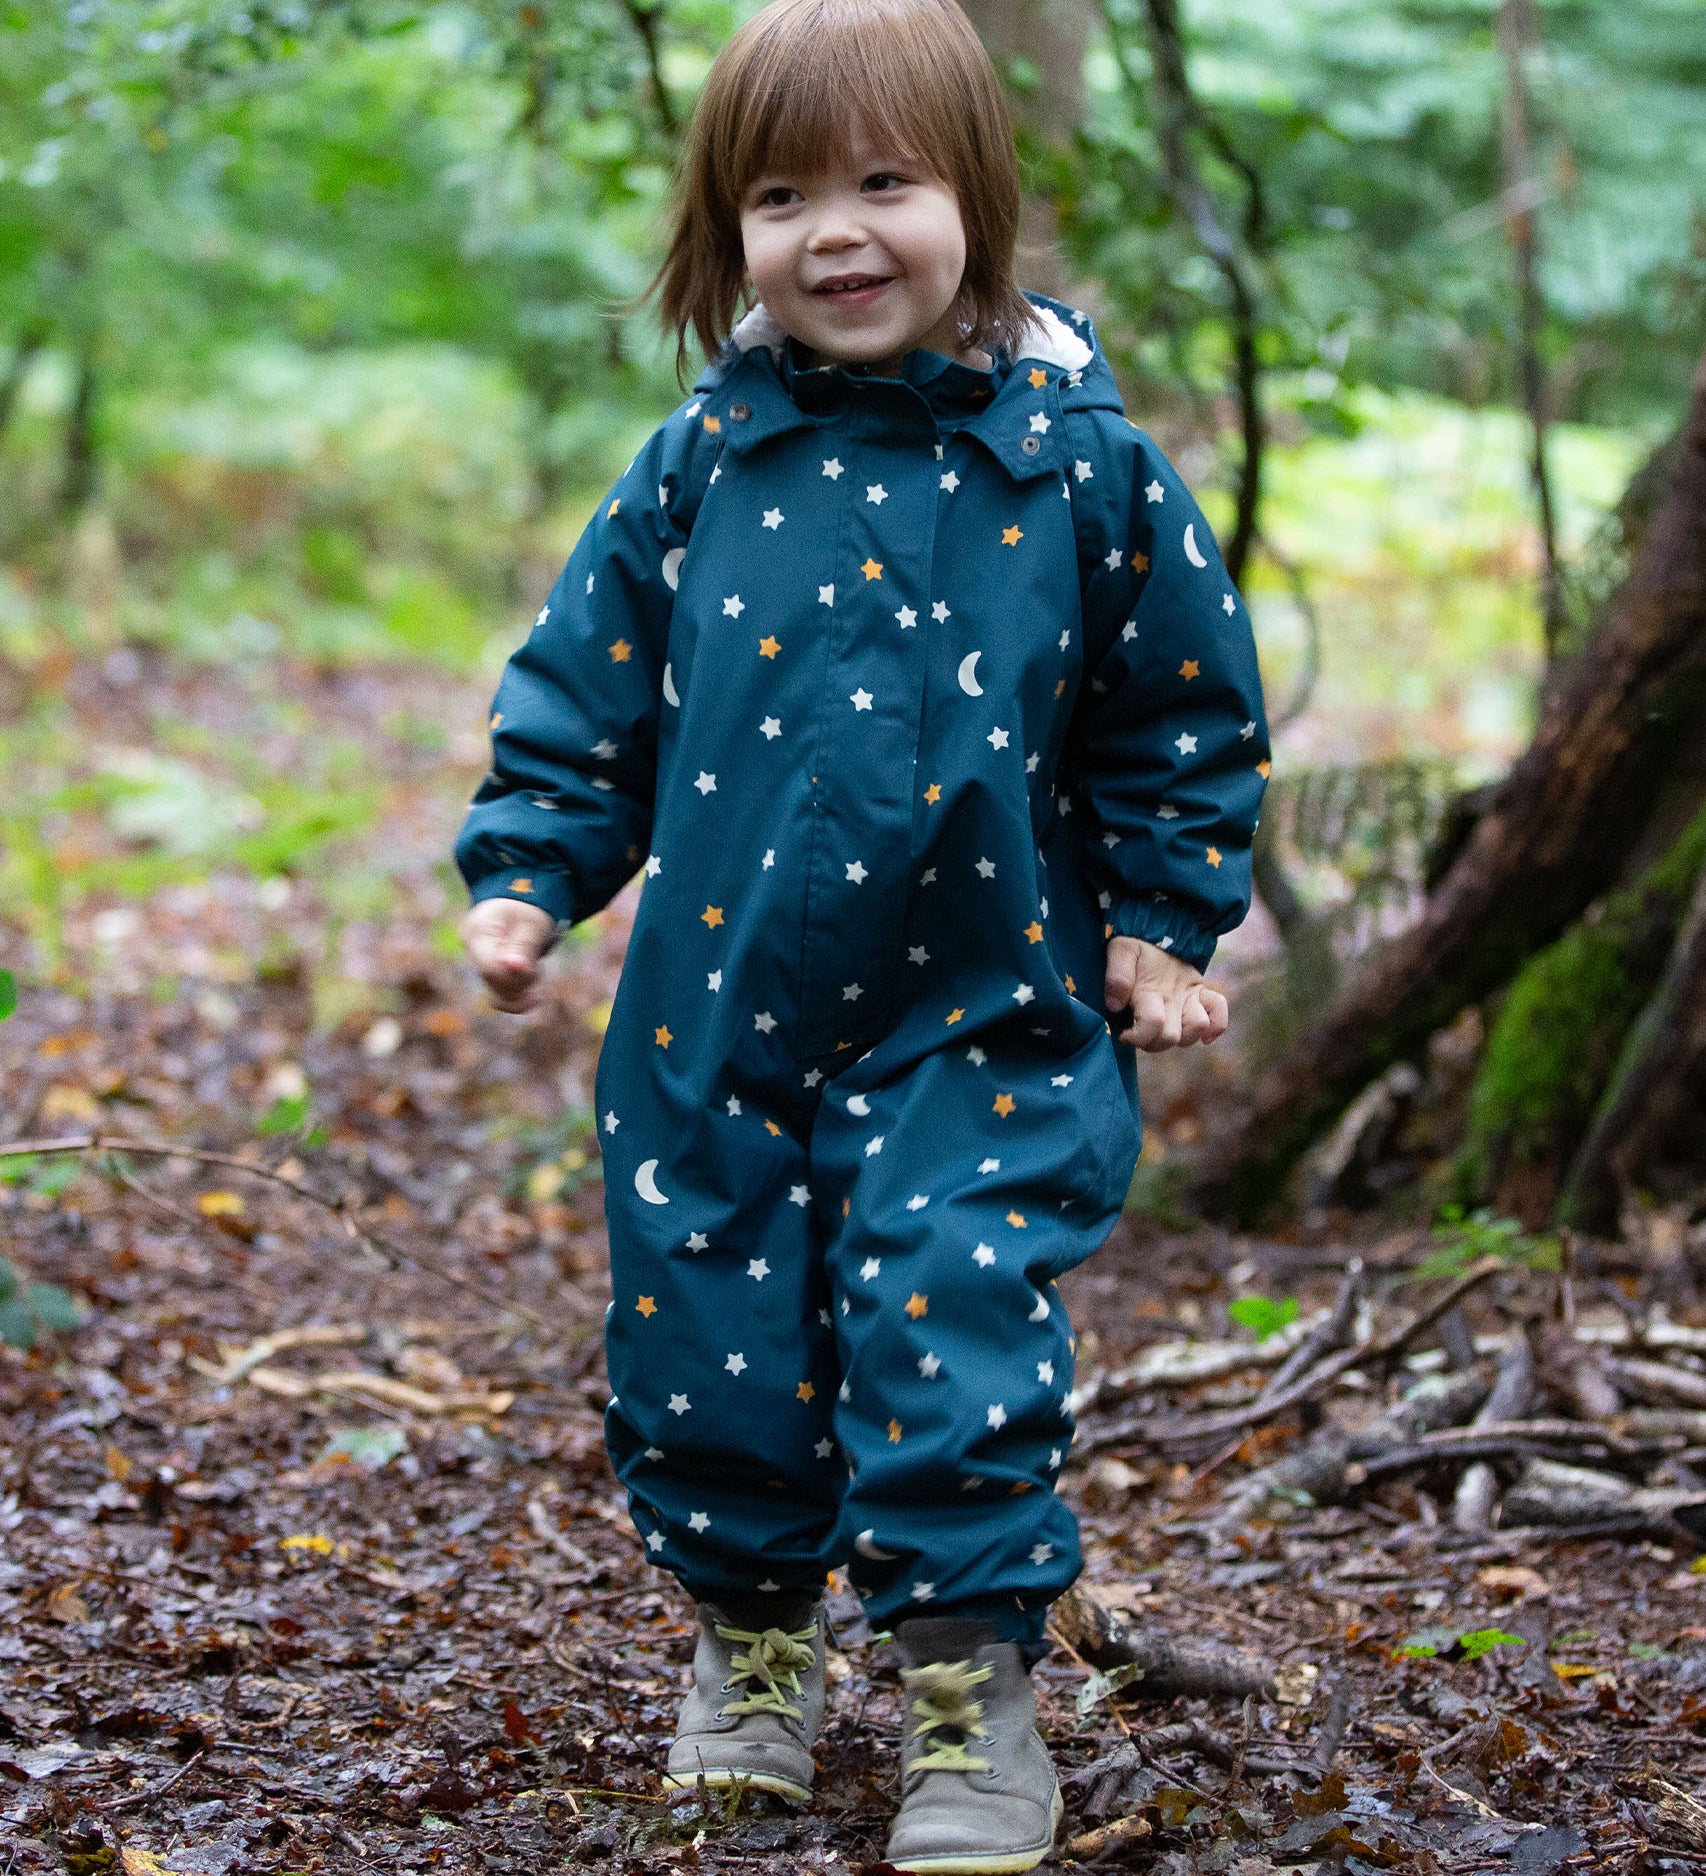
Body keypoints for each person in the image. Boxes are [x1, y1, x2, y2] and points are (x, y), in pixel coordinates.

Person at [457, 0, 1268, 1863]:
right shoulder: (694, 469)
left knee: (951, 1322)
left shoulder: (1080, 466)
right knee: (704, 1338)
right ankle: (749, 1646)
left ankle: (969, 1689)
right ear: (722, 236)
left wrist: (1161, 923)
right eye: (778, 195)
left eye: (884, 183)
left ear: (973, 197)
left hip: (982, 998)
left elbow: (1180, 713)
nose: (835, 230)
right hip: (711, 1013)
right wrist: (528, 867)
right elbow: (587, 699)